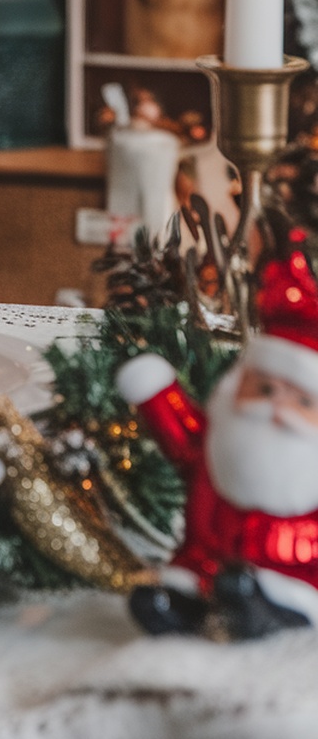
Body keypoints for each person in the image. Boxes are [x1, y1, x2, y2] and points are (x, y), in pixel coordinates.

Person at [118, 229, 318, 638]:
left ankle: (259, 609)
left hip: (293, 576)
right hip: (203, 559)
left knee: (264, 595)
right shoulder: (220, 438)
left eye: (301, 401)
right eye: (264, 389)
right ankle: (179, 607)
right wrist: (157, 393)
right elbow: (183, 439)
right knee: (185, 584)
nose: (276, 408)